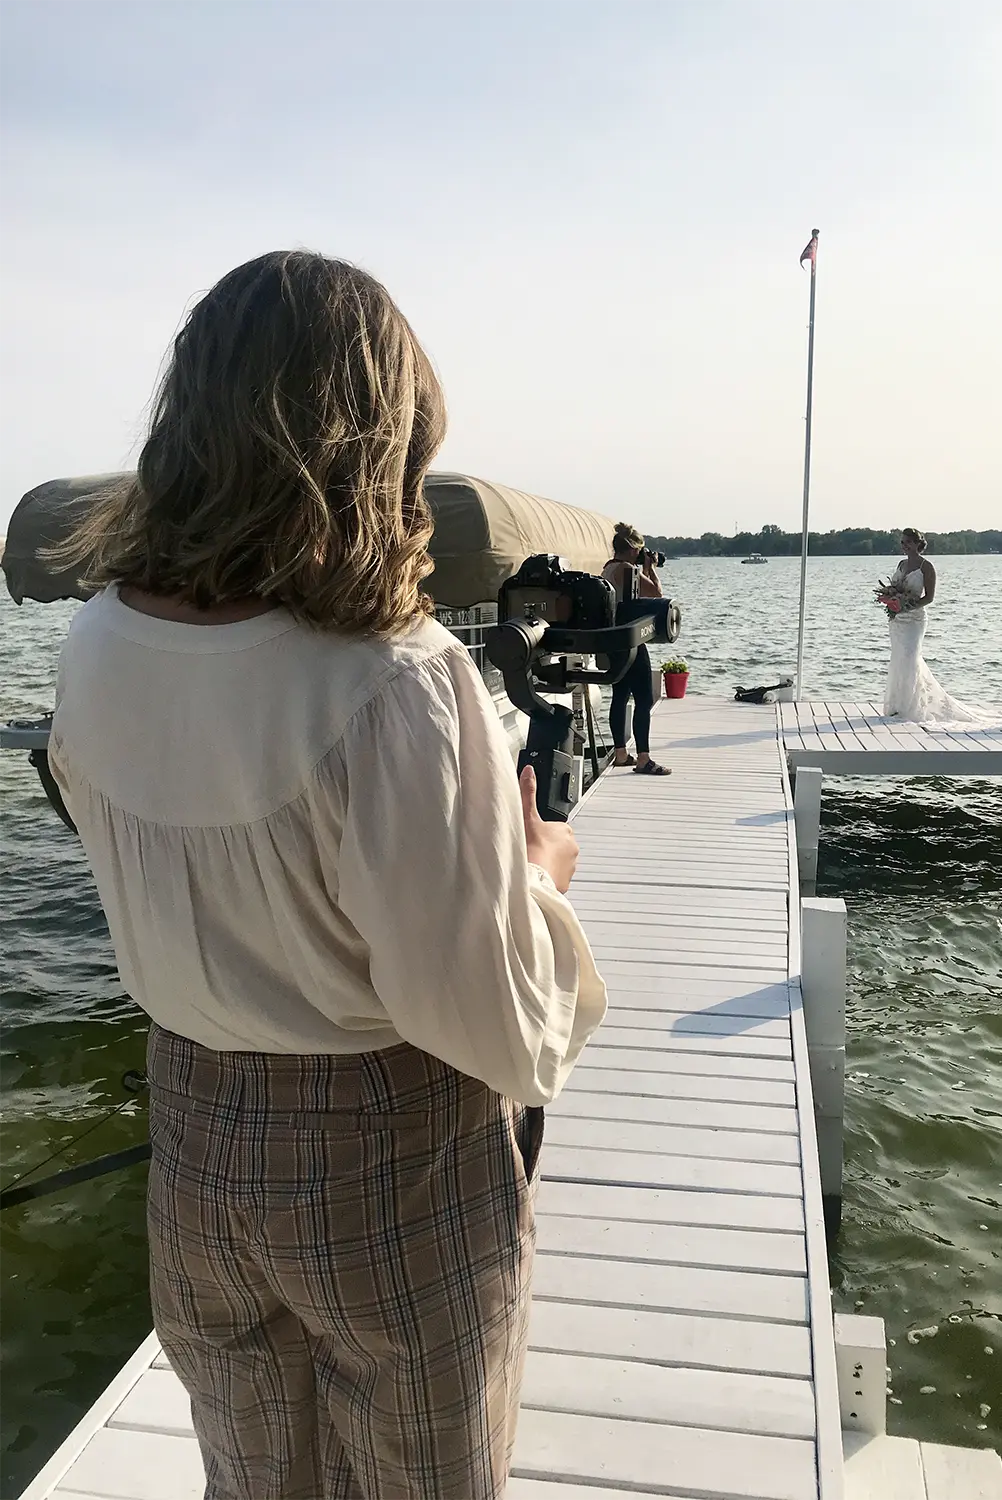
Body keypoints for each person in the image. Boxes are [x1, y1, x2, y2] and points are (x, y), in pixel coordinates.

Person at [46, 251, 608, 1500]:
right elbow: (492, 1026)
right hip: (387, 1155)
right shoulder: (392, 679)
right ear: (379, 441)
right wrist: (542, 876)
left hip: (193, 1142)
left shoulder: (94, 644)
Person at [882, 527, 982, 722]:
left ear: (918, 544)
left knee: (911, 658)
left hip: (915, 619)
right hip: (897, 620)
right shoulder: (901, 564)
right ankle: (896, 706)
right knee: (899, 659)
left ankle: (912, 707)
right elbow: (895, 588)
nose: (904, 546)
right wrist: (892, 600)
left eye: (908, 542)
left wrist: (907, 606)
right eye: (902, 542)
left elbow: (929, 597)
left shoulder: (926, 567)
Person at [602, 521, 671, 774]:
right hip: (630, 639)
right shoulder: (627, 569)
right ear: (632, 550)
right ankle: (643, 758)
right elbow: (656, 593)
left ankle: (621, 753)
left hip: (613, 639)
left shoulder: (607, 569)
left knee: (619, 696)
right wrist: (649, 568)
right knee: (644, 697)